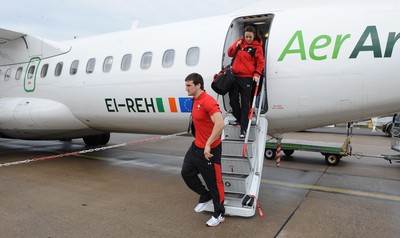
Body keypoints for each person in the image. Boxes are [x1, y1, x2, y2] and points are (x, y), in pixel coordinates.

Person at [181, 73, 225, 227]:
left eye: (189, 85)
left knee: (214, 183)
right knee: (186, 173)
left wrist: (208, 144)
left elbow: (220, 123)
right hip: (196, 147)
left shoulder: (208, 101)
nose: (186, 88)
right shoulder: (195, 100)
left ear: (198, 85)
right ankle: (205, 196)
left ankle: (219, 214)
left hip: (210, 150)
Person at [228, 25, 265, 138]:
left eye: (250, 37)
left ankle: (243, 129)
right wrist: (236, 44)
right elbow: (230, 53)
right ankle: (239, 119)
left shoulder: (257, 48)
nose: (248, 39)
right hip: (235, 76)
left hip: (247, 77)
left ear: (254, 36)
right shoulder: (240, 43)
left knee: (245, 103)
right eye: (246, 36)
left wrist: (257, 73)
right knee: (233, 101)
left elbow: (260, 62)